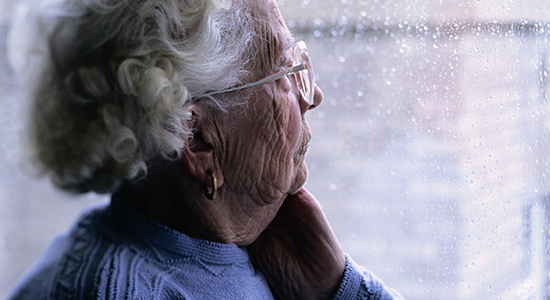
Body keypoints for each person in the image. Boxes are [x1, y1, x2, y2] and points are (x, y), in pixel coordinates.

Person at [7, 0, 403, 299]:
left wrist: (337, 288)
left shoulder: (264, 250)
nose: (313, 95)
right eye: (286, 71)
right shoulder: (112, 290)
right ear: (197, 138)